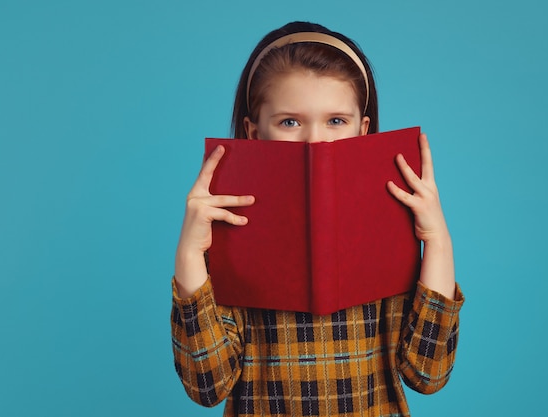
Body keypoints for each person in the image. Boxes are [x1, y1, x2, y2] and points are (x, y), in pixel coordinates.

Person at [171, 21, 464, 416]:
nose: (316, 141)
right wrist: (190, 257)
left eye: (336, 121)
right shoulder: (230, 232)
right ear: (253, 132)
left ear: (363, 130)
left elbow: (427, 374)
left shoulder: (389, 226)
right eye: (290, 122)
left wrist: (438, 242)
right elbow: (207, 386)